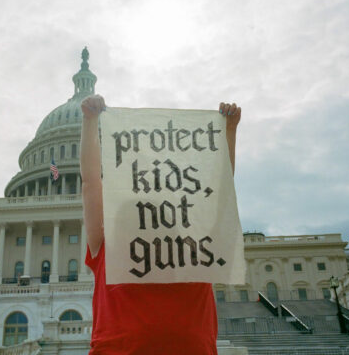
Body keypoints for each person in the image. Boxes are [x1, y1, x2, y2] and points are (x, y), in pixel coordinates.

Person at [80, 94, 241, 355]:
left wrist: (229, 133)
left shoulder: (195, 253)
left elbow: (221, 196)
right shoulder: (110, 250)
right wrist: (89, 123)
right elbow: (90, 184)